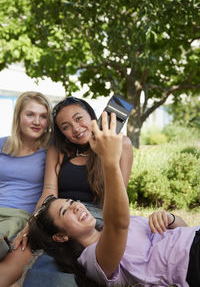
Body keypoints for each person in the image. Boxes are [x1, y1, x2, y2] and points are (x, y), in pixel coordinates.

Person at [28, 112, 200, 287]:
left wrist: (169, 219)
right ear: (60, 236)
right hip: (190, 262)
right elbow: (118, 225)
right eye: (65, 211)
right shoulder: (93, 260)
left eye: (72, 202)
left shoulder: (110, 227)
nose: (77, 207)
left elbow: (184, 229)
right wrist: (109, 159)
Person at [0, 91, 52, 287]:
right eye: (30, 114)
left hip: (20, 216)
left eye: (43, 116)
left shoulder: (50, 149)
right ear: (18, 116)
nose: (37, 121)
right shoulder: (2, 144)